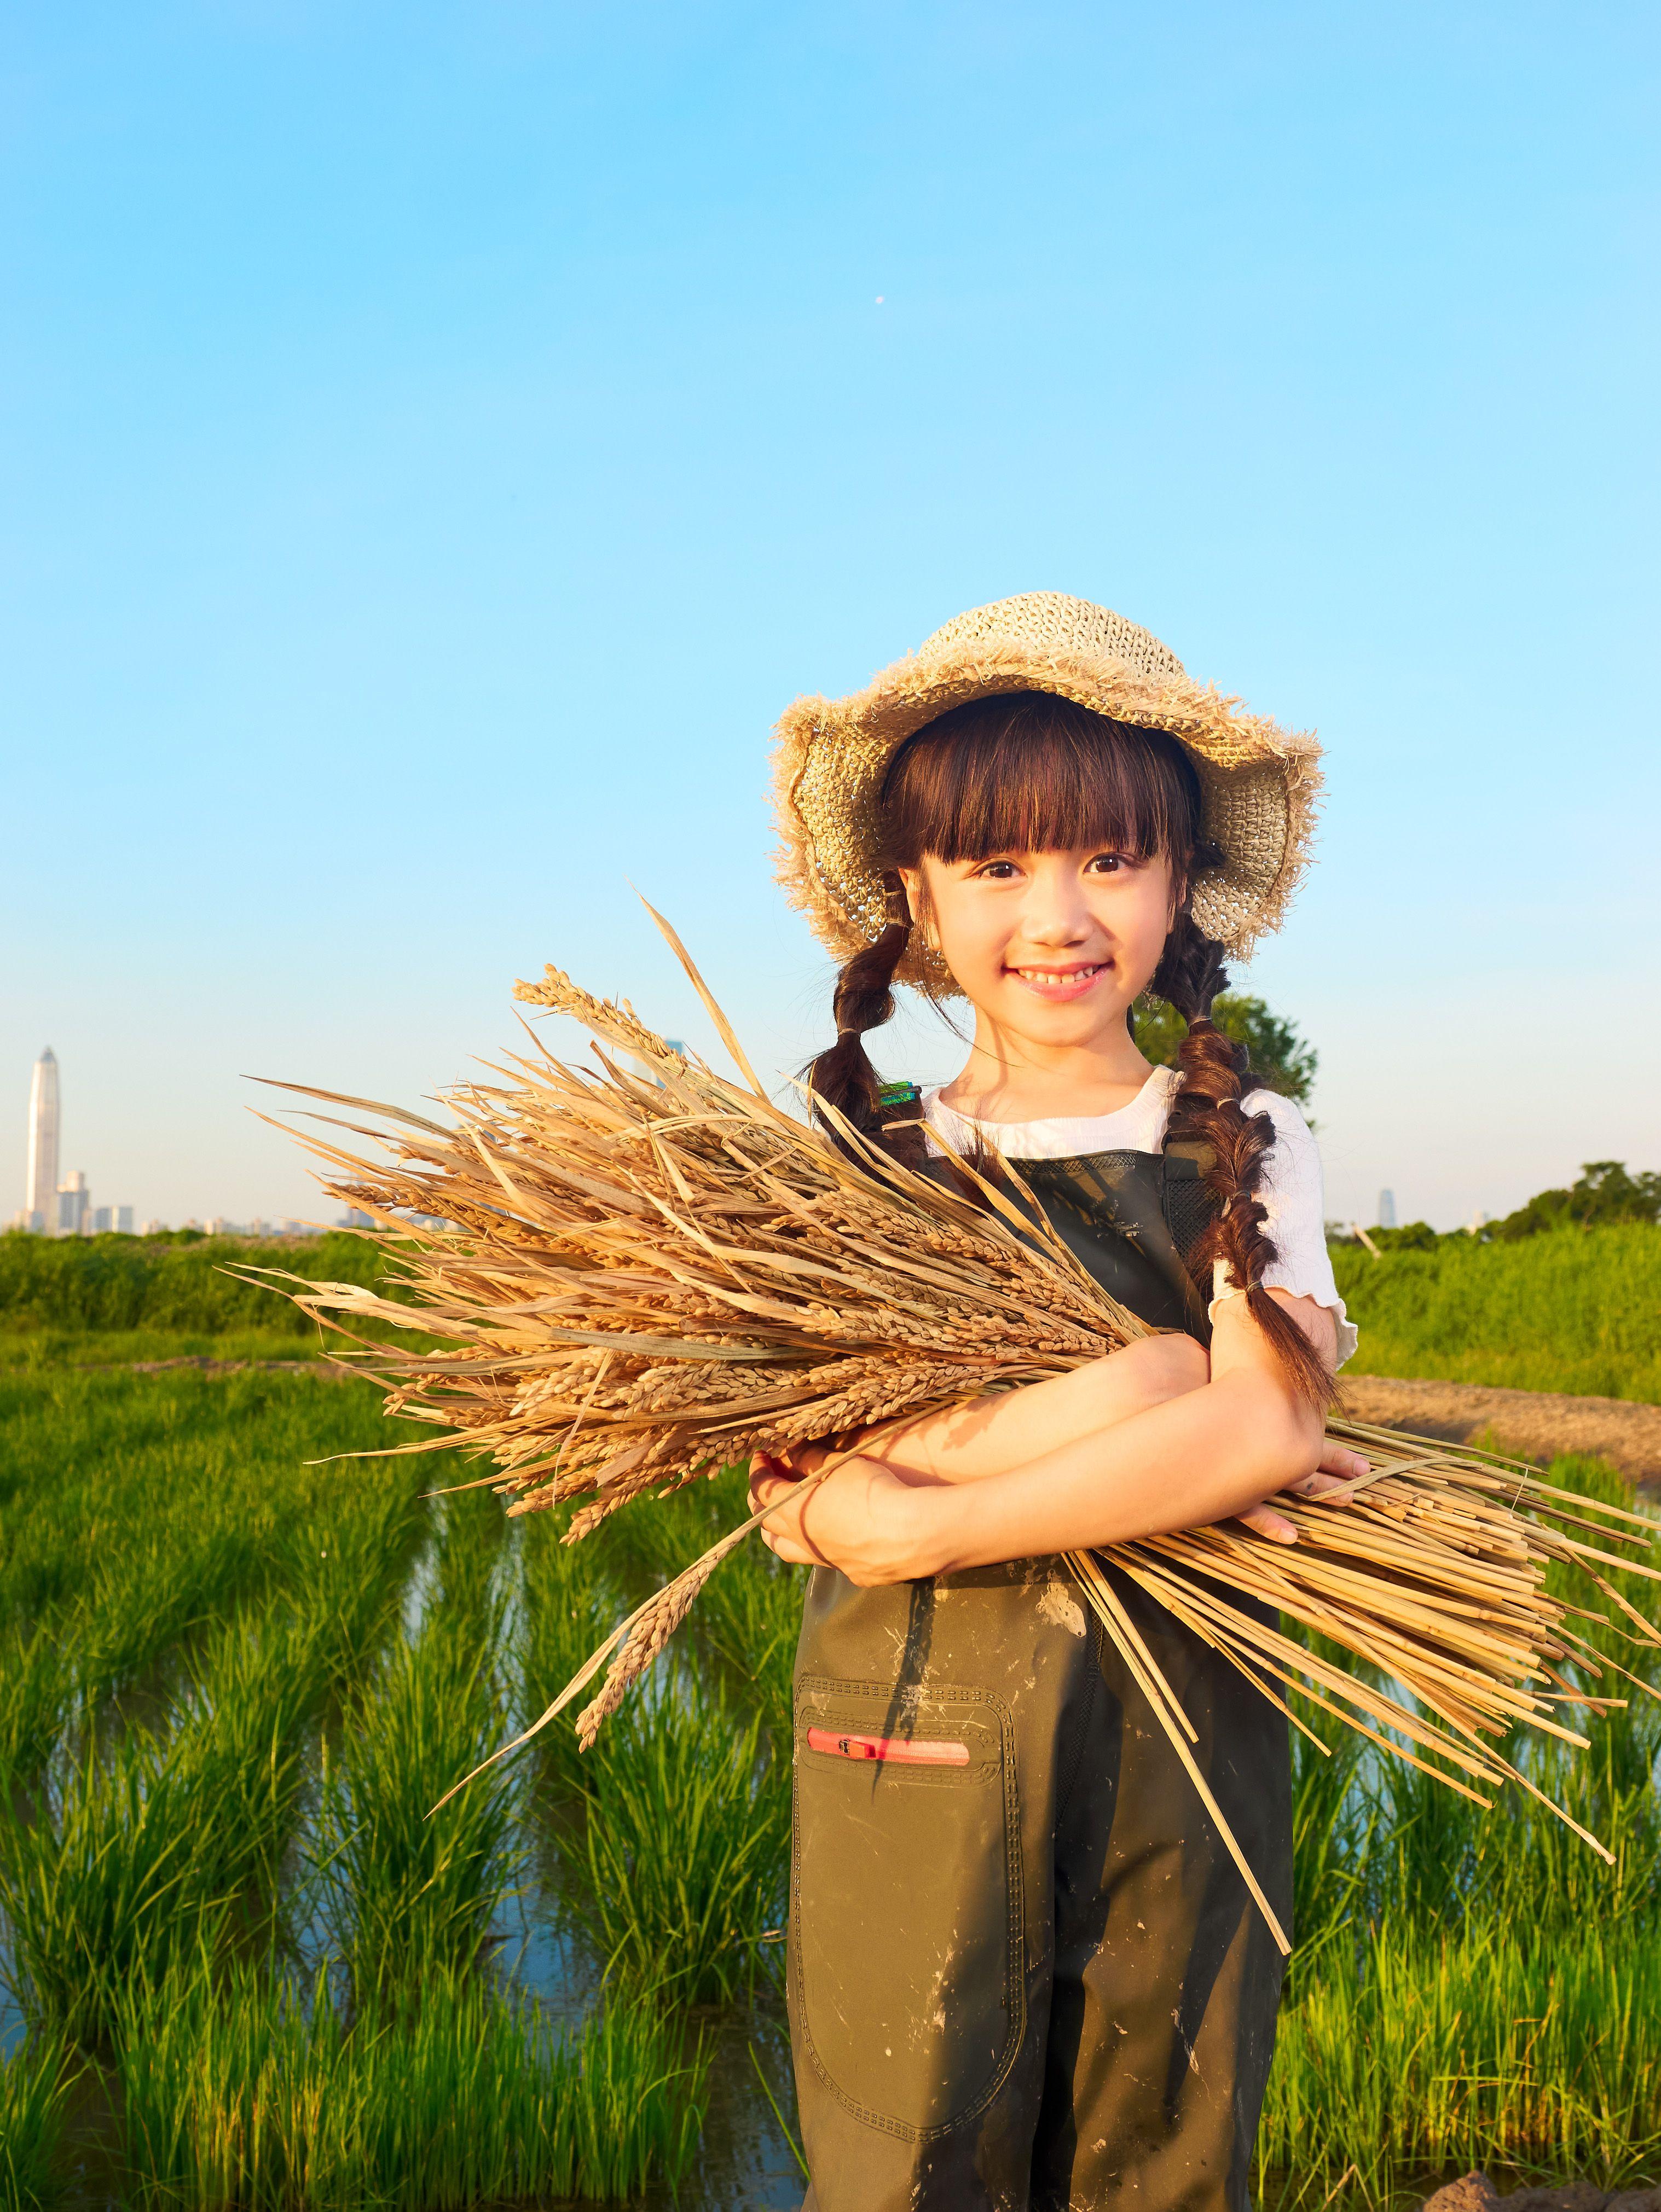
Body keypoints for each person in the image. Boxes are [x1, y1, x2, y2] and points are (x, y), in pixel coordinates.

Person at [750, 592, 1365, 2212]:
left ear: (1178, 885)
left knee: (1158, 2157)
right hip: (901, 1737)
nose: (1058, 911)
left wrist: (913, 1516)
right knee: (903, 2163)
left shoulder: (1247, 1142)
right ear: (914, 898)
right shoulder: (856, 1166)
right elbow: (784, 1478)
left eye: (1107, 858)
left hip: (1183, 1747)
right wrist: (1152, 1384)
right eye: (998, 863)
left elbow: (1268, 1426)